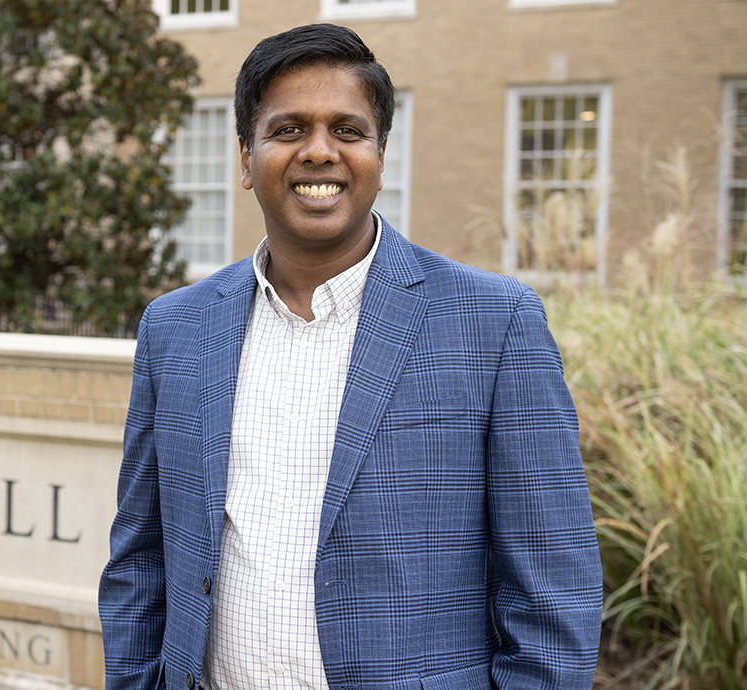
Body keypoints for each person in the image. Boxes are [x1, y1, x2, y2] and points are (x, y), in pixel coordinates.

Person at [98, 23, 602, 690]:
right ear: (246, 159)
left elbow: (554, 587)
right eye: (287, 130)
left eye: (347, 129)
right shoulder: (176, 328)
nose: (318, 152)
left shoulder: (494, 322)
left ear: (380, 154)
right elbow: (140, 556)